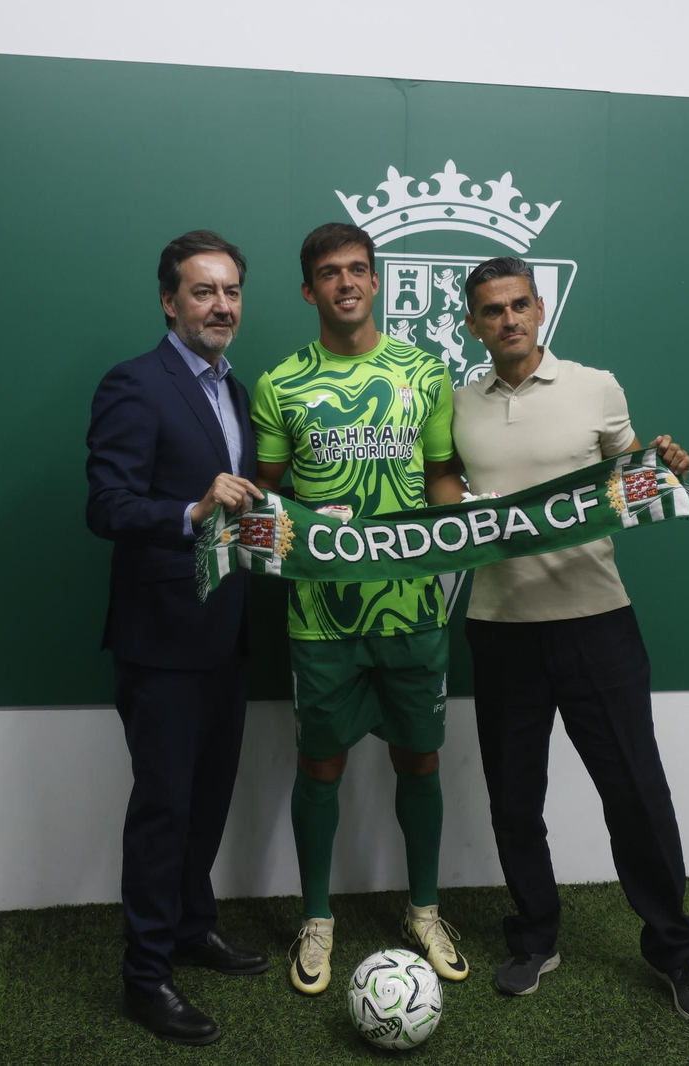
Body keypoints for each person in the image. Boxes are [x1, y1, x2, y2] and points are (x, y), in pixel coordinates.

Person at [450, 256, 689, 1024]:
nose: (508, 319)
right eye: (492, 310)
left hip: (597, 622)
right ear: (473, 323)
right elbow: (443, 489)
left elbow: (629, 478)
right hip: (500, 630)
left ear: (539, 309)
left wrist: (663, 466)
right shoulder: (457, 404)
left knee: (636, 794)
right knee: (513, 800)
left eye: (519, 304)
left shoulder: (595, 386)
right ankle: (535, 937)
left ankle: (676, 953)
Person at [251, 222, 470, 995]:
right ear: (309, 290)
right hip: (322, 616)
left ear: (376, 282)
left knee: (420, 757)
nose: (346, 283)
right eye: (329, 274)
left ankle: (425, 906)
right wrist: (289, 524)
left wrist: (465, 522)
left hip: (412, 608)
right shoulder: (280, 384)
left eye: (358, 270)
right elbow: (270, 499)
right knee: (322, 761)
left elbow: (442, 476)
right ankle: (317, 916)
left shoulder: (424, 372)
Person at [85, 230, 268, 1046]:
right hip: (159, 639)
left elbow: (250, 500)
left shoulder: (240, 390)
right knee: (164, 806)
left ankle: (193, 928)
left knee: (209, 797)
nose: (220, 305)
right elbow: (107, 505)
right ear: (170, 301)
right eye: (203, 291)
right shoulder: (135, 384)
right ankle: (145, 975)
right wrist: (190, 511)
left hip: (225, 631)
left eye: (230, 291)